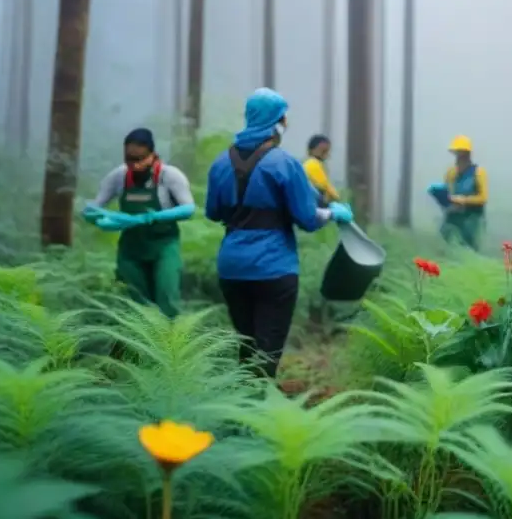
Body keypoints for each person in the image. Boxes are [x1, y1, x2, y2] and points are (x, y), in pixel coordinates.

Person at [205, 89, 353, 380]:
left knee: (246, 346)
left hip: (232, 268)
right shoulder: (285, 164)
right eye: (284, 117)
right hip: (274, 269)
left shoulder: (221, 163)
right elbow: (308, 219)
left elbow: (213, 212)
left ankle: (240, 410)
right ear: (276, 121)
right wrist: (334, 213)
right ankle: (256, 416)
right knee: (267, 351)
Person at [83, 128, 195, 318]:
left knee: (167, 299)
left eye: (141, 159)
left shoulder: (169, 176)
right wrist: (99, 218)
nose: (134, 165)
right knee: (134, 305)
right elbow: (94, 207)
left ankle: (168, 344)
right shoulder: (118, 177)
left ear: (152, 155)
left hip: (164, 246)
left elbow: (188, 209)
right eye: (129, 159)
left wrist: (151, 217)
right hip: (131, 249)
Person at [428, 135, 488, 251]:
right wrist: (443, 200)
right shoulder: (451, 172)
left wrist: (463, 200)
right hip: (453, 215)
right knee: (445, 243)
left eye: (460, 153)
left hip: (472, 218)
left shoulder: (479, 173)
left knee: (470, 248)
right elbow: (447, 192)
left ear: (467, 154)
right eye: (456, 153)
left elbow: (483, 198)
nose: (458, 157)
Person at [302, 134, 341, 207]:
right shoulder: (313, 163)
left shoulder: (308, 163)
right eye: (323, 151)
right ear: (312, 150)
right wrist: (337, 199)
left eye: (327, 151)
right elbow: (325, 186)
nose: (326, 155)